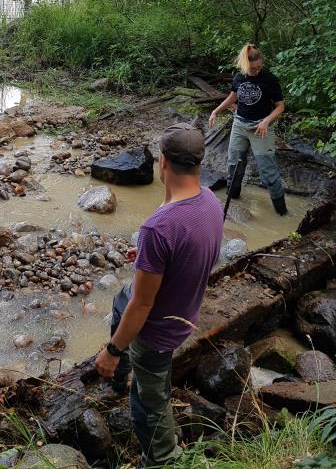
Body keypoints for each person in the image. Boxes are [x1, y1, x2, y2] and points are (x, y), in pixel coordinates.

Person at [95, 123, 224, 468]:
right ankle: (119, 375)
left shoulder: (158, 228)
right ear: (198, 163)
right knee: (121, 298)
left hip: (156, 332)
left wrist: (111, 351)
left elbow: (144, 305)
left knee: (148, 407)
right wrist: (147, 259)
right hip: (184, 305)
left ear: (163, 163)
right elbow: (187, 242)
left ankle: (163, 460)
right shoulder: (210, 200)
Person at [208, 43, 288, 215]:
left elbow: (280, 106)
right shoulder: (239, 77)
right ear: (245, 66)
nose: (256, 71)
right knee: (234, 166)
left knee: (268, 173)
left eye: (259, 67)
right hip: (239, 125)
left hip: (261, 129)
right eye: (253, 68)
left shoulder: (269, 79)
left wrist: (267, 121)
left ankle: (282, 213)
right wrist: (216, 111)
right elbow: (232, 97)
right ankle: (233, 203)